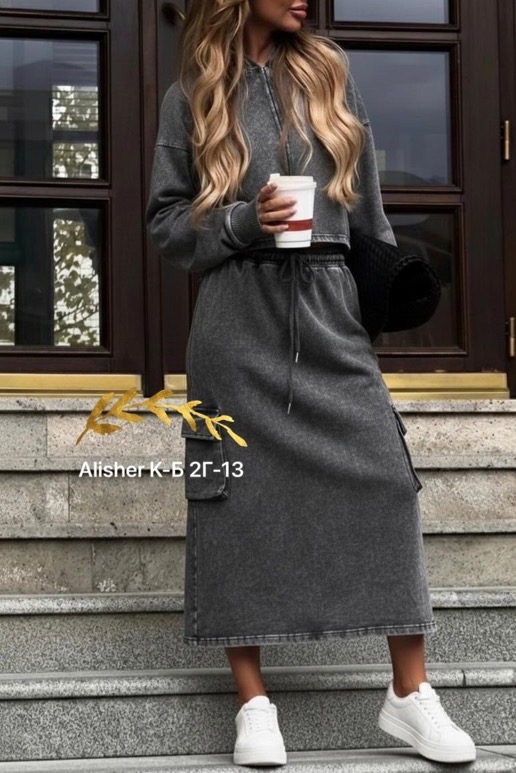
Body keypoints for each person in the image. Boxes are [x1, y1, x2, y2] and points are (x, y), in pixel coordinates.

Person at [146, 0, 476, 767]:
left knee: (388, 482)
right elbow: (165, 222)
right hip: (237, 323)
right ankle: (253, 701)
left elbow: (370, 214)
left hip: (330, 309)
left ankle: (409, 693)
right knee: (234, 502)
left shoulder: (330, 76)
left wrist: (386, 288)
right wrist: (241, 221)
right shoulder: (191, 95)